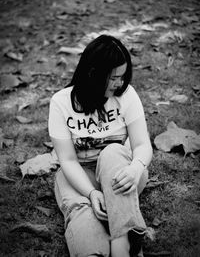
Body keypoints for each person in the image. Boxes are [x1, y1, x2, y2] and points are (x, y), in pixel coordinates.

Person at [48, 34, 153, 257]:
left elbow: (142, 144)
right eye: (114, 77)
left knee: (113, 151)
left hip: (120, 170)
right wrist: (91, 193)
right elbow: (67, 160)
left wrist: (136, 168)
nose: (120, 83)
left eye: (123, 77)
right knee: (81, 210)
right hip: (78, 173)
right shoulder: (61, 102)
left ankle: (123, 243)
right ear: (93, 73)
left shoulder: (127, 96)